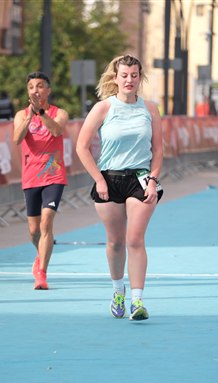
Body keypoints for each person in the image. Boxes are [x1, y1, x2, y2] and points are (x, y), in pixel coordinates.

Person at [76, 54, 163, 321]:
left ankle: (137, 301)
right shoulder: (104, 108)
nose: (129, 80)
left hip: (140, 179)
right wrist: (99, 180)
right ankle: (118, 291)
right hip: (109, 179)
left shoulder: (150, 109)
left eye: (134, 75)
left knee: (135, 240)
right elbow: (82, 147)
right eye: (124, 75)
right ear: (115, 78)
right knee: (115, 242)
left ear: (140, 77)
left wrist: (153, 180)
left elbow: (158, 150)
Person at [12, 72, 69, 290]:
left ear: (48, 90)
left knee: (46, 222)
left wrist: (42, 113)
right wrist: (29, 116)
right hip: (31, 177)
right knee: (34, 231)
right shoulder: (21, 115)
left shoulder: (59, 113)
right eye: (31, 87)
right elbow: (17, 139)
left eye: (40, 86)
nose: (35, 90)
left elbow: (56, 130)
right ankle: (40, 254)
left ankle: (42, 274)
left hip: (54, 175)